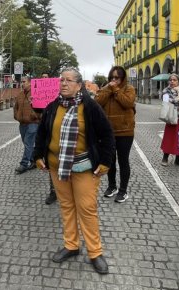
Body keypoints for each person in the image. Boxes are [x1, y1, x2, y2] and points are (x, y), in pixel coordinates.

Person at [33, 67, 115, 274]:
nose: (63, 83)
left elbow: (107, 135)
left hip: (83, 167)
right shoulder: (53, 106)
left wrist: (105, 162)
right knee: (67, 206)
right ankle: (71, 245)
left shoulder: (90, 107)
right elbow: (42, 133)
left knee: (86, 208)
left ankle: (95, 252)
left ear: (79, 85)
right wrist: (37, 155)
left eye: (69, 80)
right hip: (56, 166)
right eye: (61, 80)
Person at [96, 65, 136, 203]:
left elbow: (128, 103)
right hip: (108, 132)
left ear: (123, 78)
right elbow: (97, 102)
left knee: (123, 161)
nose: (114, 80)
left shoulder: (129, 89)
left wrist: (116, 90)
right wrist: (108, 89)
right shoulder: (106, 88)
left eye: (117, 77)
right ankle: (112, 186)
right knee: (110, 161)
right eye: (112, 77)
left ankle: (123, 190)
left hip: (125, 131)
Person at [13, 75, 40, 175]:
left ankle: (24, 164)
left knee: (28, 143)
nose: (22, 84)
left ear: (30, 83)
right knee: (26, 143)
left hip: (33, 123)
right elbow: (15, 107)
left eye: (24, 82)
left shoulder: (36, 93)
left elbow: (41, 108)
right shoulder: (20, 94)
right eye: (22, 82)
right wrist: (17, 116)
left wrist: (35, 116)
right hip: (22, 123)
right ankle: (34, 161)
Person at [38, 72, 57, 205]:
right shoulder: (40, 90)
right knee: (52, 167)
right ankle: (53, 192)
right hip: (50, 136)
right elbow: (38, 110)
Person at [160, 74, 179, 166]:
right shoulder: (166, 91)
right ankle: (165, 156)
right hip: (171, 118)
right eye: (171, 80)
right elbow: (168, 101)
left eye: (174, 80)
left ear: (178, 81)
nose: (172, 82)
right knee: (169, 138)